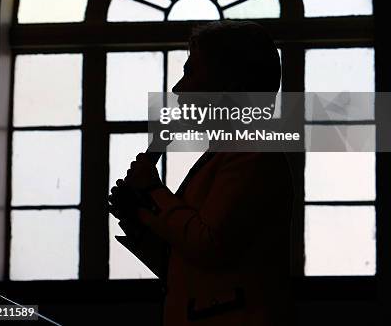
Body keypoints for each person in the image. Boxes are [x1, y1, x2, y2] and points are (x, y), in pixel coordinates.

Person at [109, 20, 296, 325]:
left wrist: (153, 192)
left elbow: (209, 245)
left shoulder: (255, 153)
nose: (178, 88)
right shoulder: (225, 154)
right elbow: (191, 264)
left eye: (191, 72)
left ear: (231, 85)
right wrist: (139, 217)